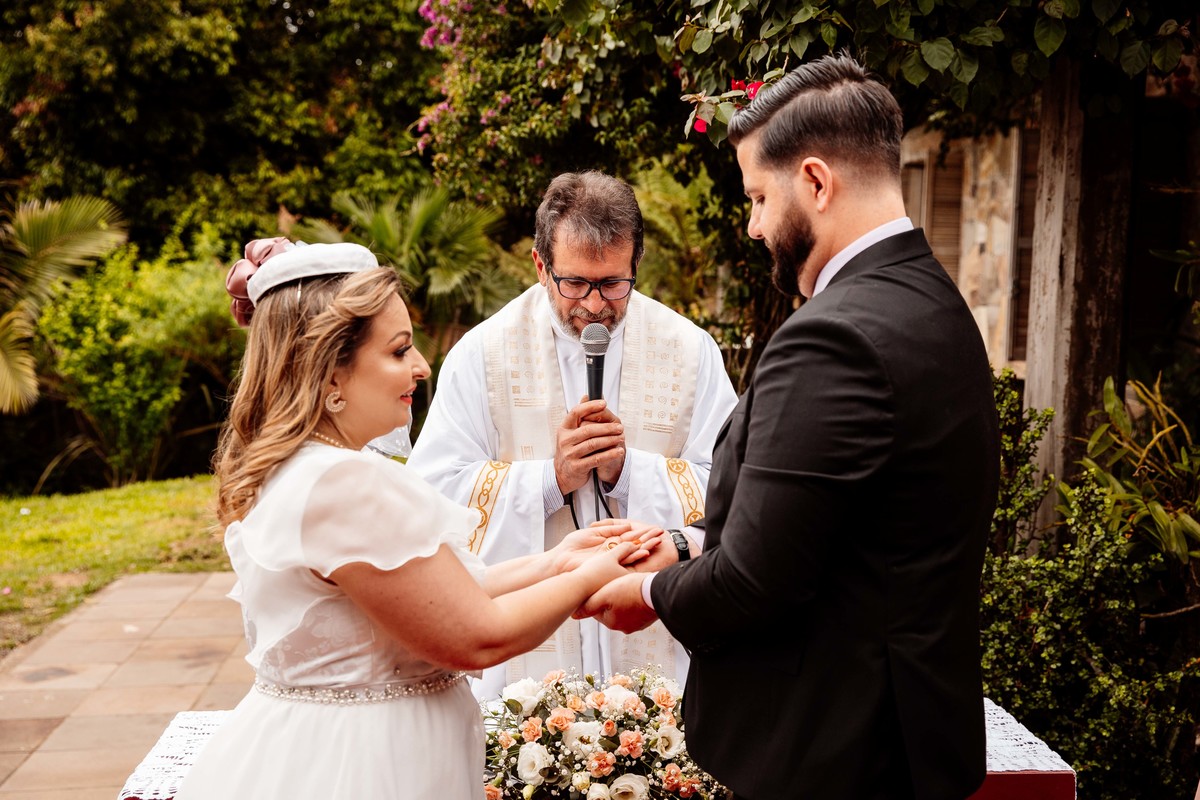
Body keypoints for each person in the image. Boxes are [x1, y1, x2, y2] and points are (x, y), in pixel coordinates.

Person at [579, 54, 1001, 800]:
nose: (753, 226)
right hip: (913, 739)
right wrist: (686, 543)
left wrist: (645, 594)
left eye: (758, 198)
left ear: (815, 181)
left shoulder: (834, 337)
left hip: (837, 755)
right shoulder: (936, 302)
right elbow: (841, 529)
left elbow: (755, 582)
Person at [175, 238, 655, 799]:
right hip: (360, 767)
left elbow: (430, 594)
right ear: (330, 372)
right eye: (400, 351)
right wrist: (593, 576)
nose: (422, 367)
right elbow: (478, 636)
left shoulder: (308, 467)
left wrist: (556, 562)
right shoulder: (343, 484)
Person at [408, 171, 739, 699]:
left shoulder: (689, 350)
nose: (594, 305)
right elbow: (433, 499)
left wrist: (628, 471)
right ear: (541, 266)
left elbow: (732, 492)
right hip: (528, 658)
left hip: (651, 631)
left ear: (636, 264)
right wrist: (550, 479)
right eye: (575, 283)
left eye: (613, 283)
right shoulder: (483, 354)